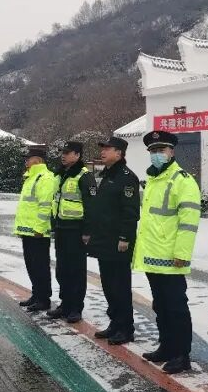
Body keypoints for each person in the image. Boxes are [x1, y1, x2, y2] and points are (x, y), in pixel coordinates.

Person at [131, 130, 201, 374]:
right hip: (153, 256)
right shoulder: (153, 180)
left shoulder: (182, 181)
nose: (156, 154)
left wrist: (182, 253)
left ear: (172, 151)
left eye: (161, 150)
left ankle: (181, 355)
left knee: (176, 307)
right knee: (160, 305)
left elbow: (189, 221)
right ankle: (167, 346)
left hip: (172, 258)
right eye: (152, 151)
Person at [83, 136, 140, 345]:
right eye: (103, 148)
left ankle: (126, 328)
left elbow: (130, 212)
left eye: (108, 149)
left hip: (118, 241)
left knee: (120, 286)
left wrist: (125, 237)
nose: (103, 152)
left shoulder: (127, 177)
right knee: (108, 284)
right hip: (104, 239)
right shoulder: (106, 175)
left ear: (119, 153)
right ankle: (115, 323)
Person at [46, 141, 94, 323]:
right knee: (62, 269)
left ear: (77, 155)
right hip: (61, 228)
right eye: (62, 153)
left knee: (76, 270)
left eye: (67, 153)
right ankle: (64, 304)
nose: (63, 156)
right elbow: (56, 201)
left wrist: (87, 230)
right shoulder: (60, 174)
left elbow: (91, 205)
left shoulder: (84, 176)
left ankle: (75, 307)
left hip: (77, 230)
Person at [13, 146, 58, 312]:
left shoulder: (45, 178)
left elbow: (45, 205)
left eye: (29, 158)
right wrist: (21, 229)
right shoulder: (30, 177)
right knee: (31, 265)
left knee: (40, 266)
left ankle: (43, 298)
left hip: (38, 232)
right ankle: (36, 294)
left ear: (38, 160)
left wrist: (39, 228)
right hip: (28, 230)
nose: (26, 161)